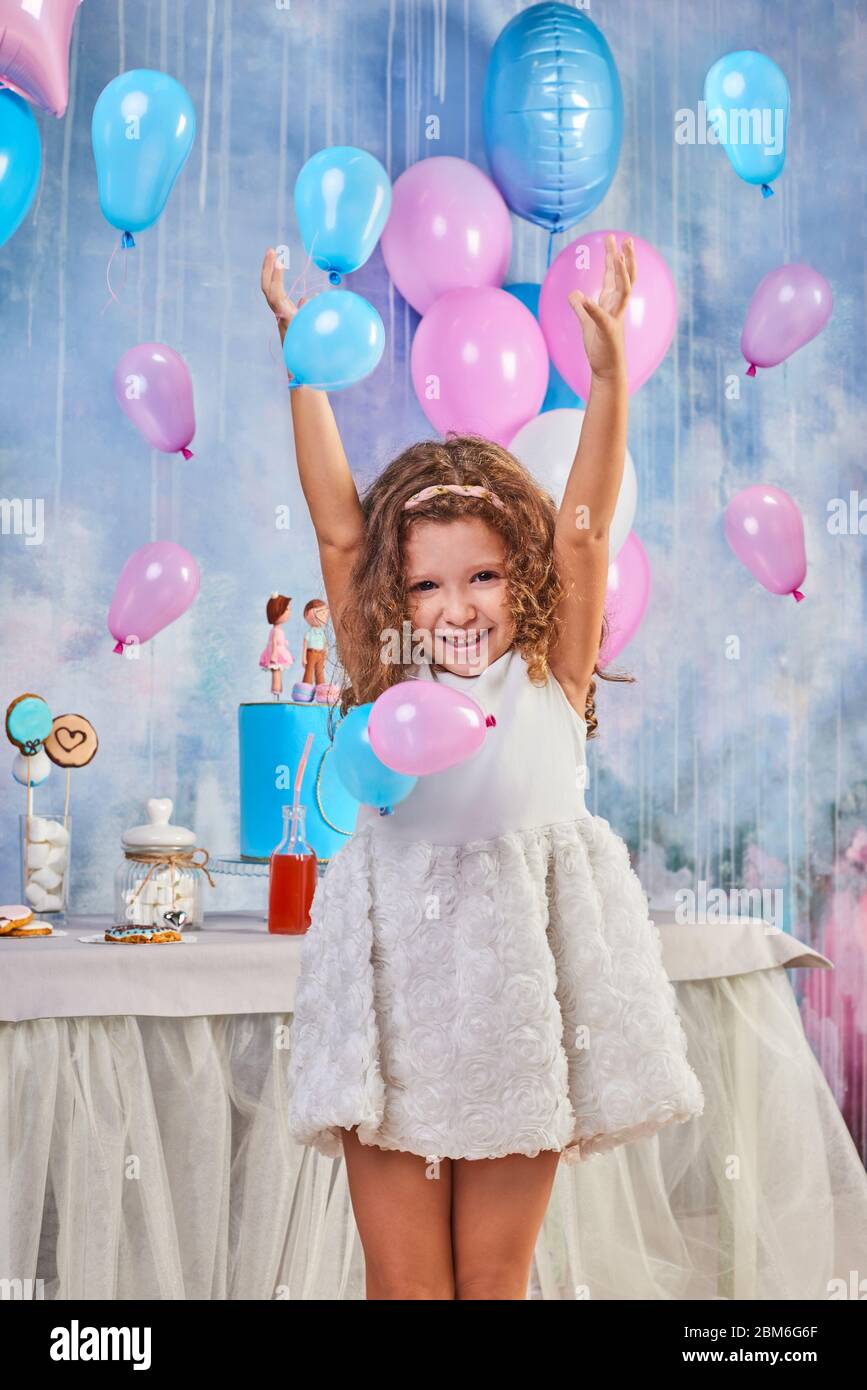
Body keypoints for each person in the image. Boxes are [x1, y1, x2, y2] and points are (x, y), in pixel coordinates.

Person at [261, 237, 704, 1301]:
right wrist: (302, 365)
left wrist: (605, 383)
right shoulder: (388, 674)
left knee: (491, 1279)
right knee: (407, 1285)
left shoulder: (553, 678)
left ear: (525, 576)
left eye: (485, 575)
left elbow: (588, 539)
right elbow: (336, 526)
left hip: (515, 992)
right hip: (395, 989)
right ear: (395, 596)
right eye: (426, 585)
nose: (457, 607)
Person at [258, 592, 293, 699]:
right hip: (276, 655)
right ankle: (276, 692)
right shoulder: (275, 631)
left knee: (278, 674)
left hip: (279, 652)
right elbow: (273, 643)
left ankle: (277, 693)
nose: (290, 611)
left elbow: (278, 641)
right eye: (287, 609)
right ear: (278, 612)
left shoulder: (278, 630)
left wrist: (284, 642)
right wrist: (273, 656)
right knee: (276, 674)